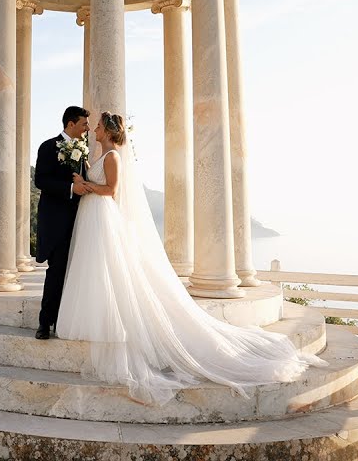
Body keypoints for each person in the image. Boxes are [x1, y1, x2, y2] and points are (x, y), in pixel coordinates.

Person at [57, 111, 325, 404]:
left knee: (111, 271)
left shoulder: (112, 158)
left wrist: (85, 186)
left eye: (97, 126)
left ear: (107, 131)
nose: (93, 128)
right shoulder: (101, 153)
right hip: (94, 219)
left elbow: (111, 190)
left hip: (102, 216)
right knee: (98, 271)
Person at [31, 105, 90, 341]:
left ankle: (71, 321)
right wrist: (70, 188)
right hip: (56, 222)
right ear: (71, 124)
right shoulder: (48, 147)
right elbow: (41, 180)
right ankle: (45, 323)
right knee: (56, 272)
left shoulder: (85, 150)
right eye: (84, 124)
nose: (87, 128)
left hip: (82, 221)